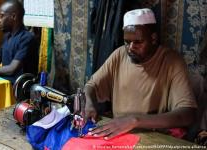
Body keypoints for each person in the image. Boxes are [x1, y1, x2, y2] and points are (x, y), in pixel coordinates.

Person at [84, 8, 197, 140]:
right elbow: (91, 86)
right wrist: (89, 104)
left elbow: (188, 114)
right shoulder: (119, 55)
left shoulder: (172, 61)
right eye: (127, 42)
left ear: (153, 39)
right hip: (120, 134)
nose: (130, 47)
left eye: (138, 42)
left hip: (153, 137)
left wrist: (134, 120)